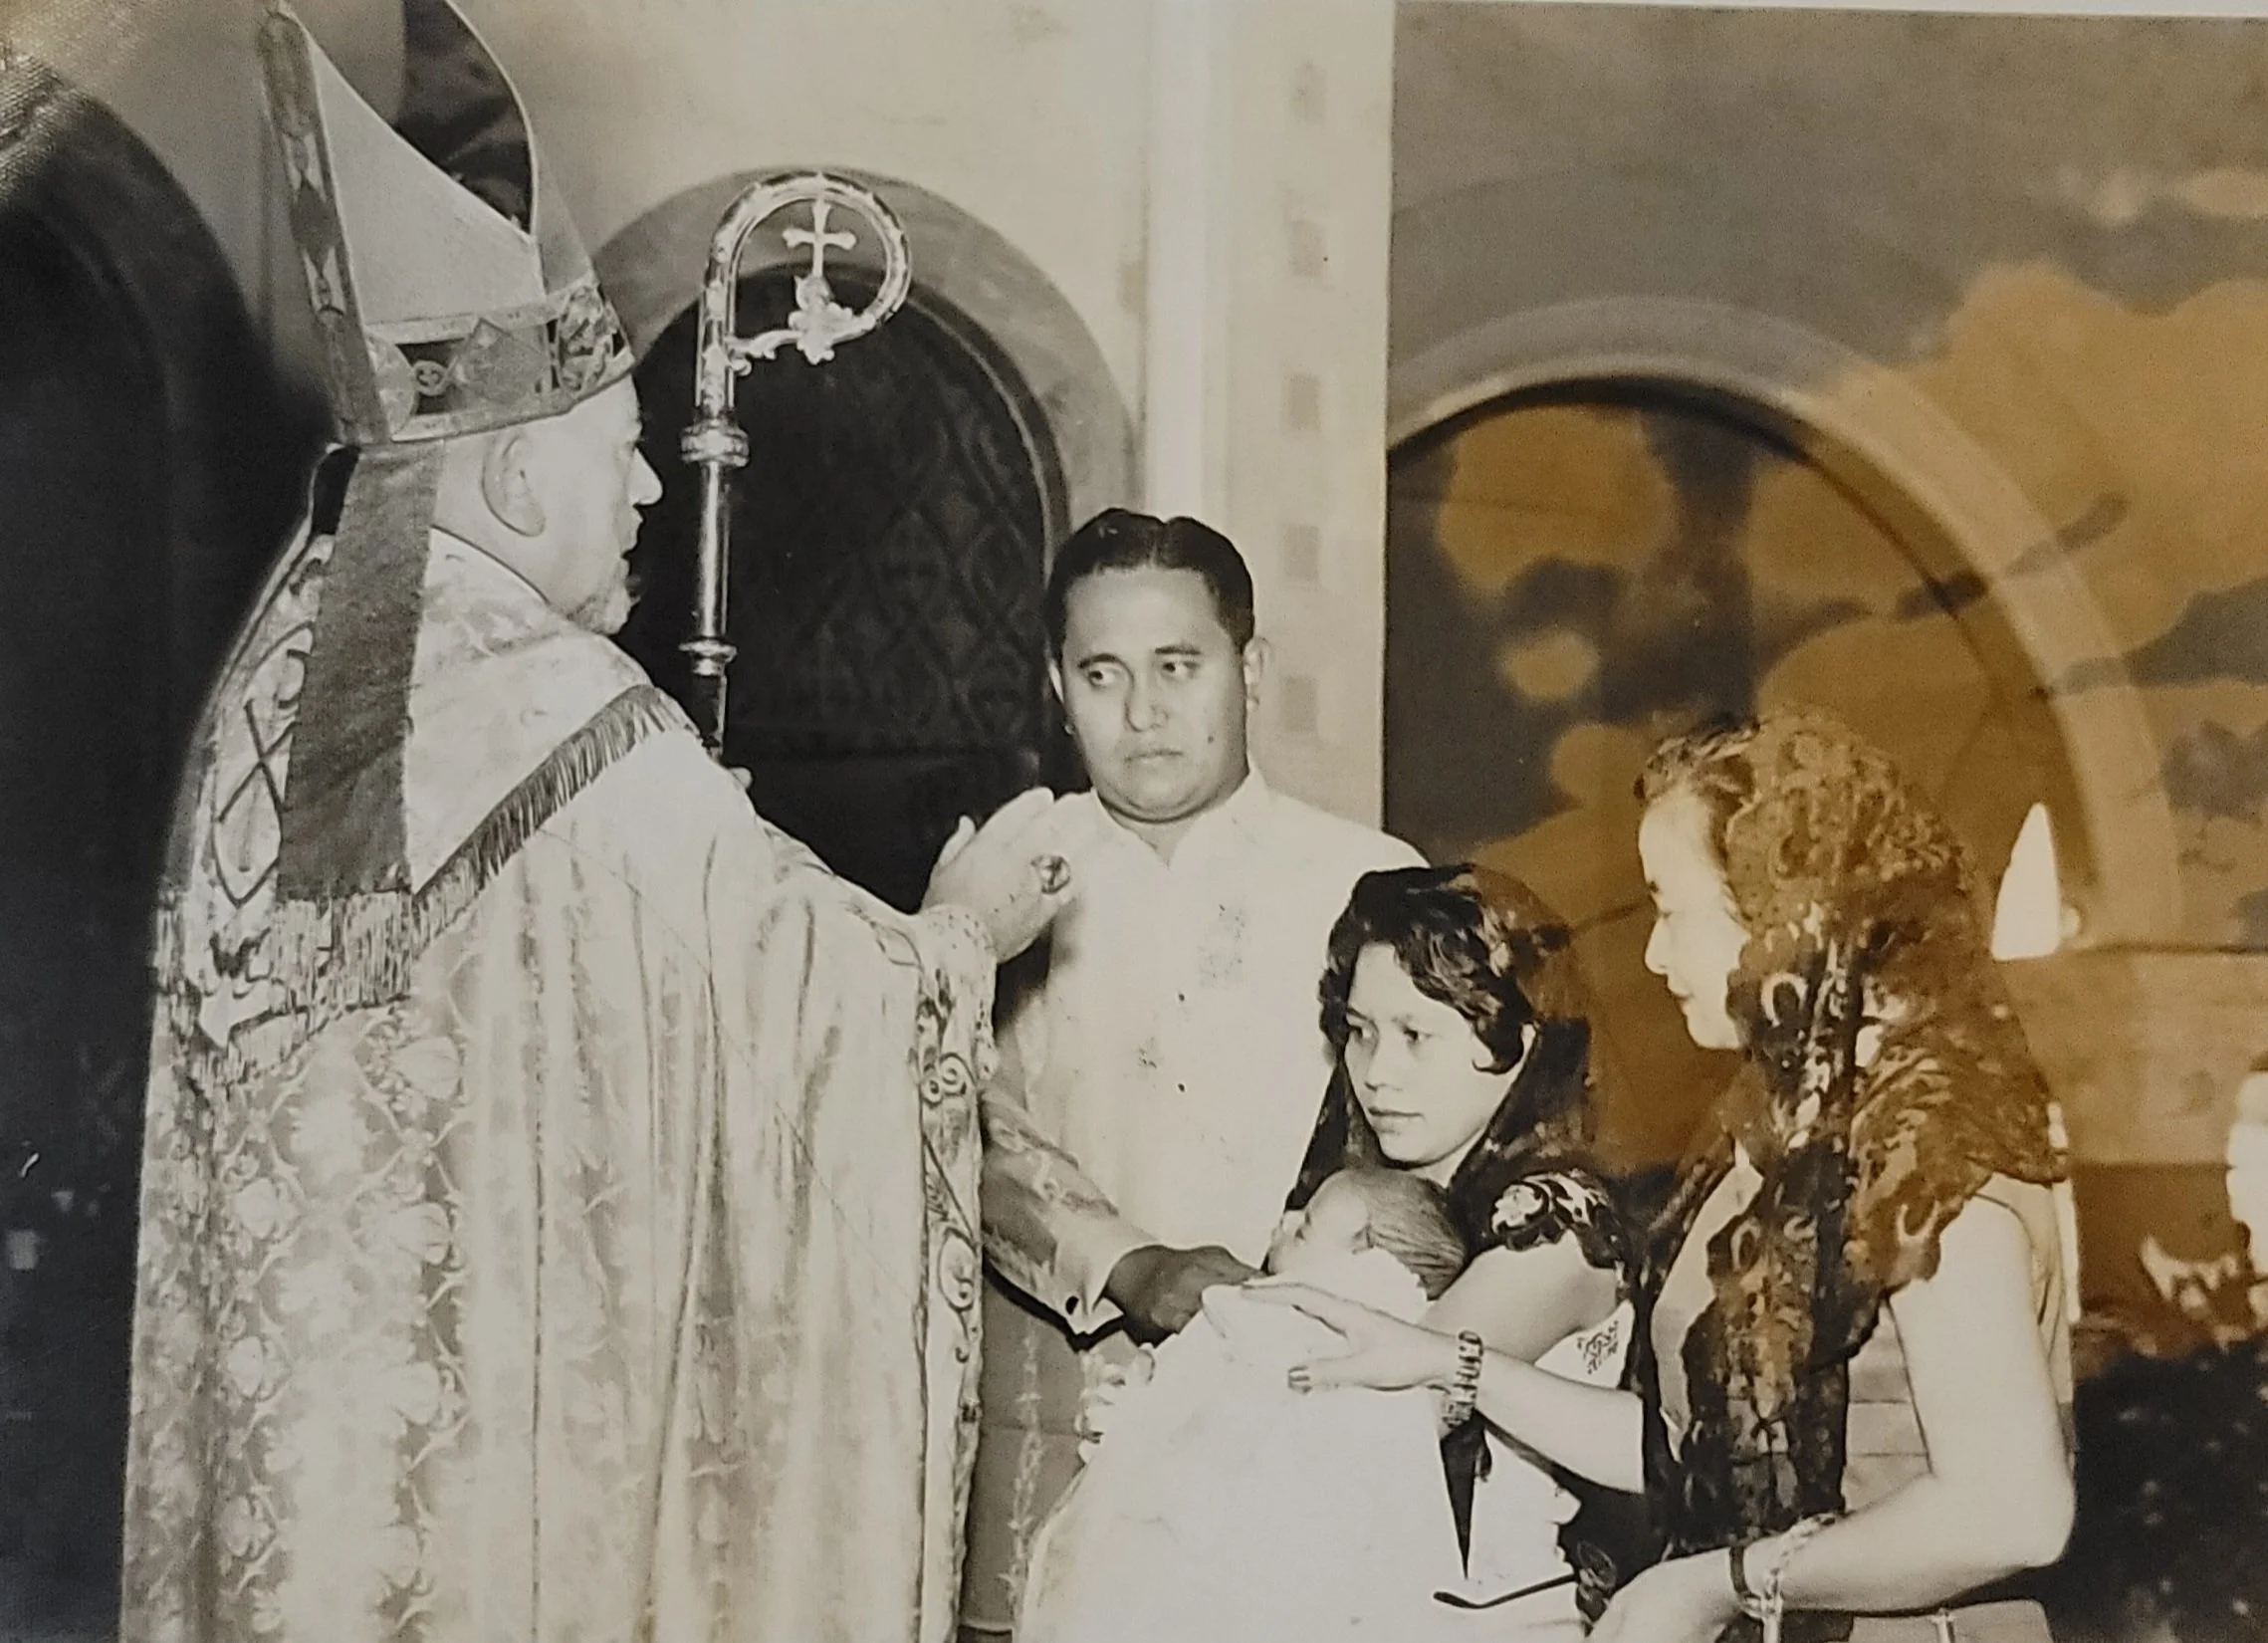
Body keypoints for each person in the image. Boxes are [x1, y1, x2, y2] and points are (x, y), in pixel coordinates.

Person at [120, 5, 1078, 1640]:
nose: (650, 494)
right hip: (493, 1498)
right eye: (622, 456)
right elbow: (818, 1030)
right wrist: (957, 942)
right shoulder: (568, 723)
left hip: (301, 1488)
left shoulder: (288, 673)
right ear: (500, 484)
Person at [1259, 711, 2077, 1643]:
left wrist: (1719, 1586)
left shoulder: (1933, 1156)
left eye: (1671, 909)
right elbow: (1691, 1453)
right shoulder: (1774, 1141)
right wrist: (1452, 1364)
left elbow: (2015, 1509)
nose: (1652, 955)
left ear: (1785, 914)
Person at [963, 509, 1424, 1635]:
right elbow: (953, 1116)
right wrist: (1129, 1263)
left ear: (1248, 667)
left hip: (1295, 1420)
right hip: (1053, 1402)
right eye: (1103, 673)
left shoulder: (1368, 881)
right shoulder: (999, 876)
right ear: (1057, 688)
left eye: (1180, 667)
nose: (1145, 712)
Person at [1286, 864, 1637, 1624]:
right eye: (1360, 1032)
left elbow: (1358, 1407)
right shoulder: (1378, 1195)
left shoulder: (1557, 1224)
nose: (1377, 1072)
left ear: (1523, 1038)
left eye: (1417, 1035)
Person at [1016, 1167, 1483, 1643]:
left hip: (1222, 1531)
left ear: (1360, 1266)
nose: (1284, 1220)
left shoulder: (1277, 1323)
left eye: (1304, 1229)